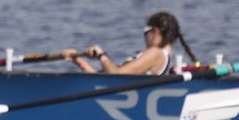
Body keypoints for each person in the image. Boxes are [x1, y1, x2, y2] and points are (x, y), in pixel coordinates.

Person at [62, 11, 198, 75]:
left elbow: (117, 76)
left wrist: (101, 55)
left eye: (146, 31)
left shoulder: (155, 54)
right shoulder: (161, 55)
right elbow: (104, 82)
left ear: (155, 31)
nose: (144, 36)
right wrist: (79, 61)